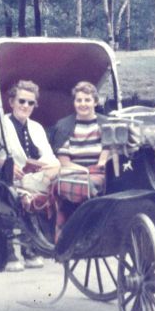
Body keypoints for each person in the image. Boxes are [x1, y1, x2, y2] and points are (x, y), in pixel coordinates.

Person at [0, 80, 59, 271]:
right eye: (22, 101)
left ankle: (31, 247)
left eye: (31, 103)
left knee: (59, 171)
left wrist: (44, 167)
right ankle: (9, 250)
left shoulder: (37, 128)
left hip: (36, 177)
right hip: (7, 180)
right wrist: (6, 164)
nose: (26, 106)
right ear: (12, 102)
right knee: (17, 194)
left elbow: (47, 155)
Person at [49, 81, 111, 237]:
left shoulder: (105, 124)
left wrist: (101, 164)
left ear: (95, 102)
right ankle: (74, 228)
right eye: (79, 100)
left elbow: (108, 149)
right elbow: (64, 161)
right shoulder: (64, 126)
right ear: (74, 103)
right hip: (73, 171)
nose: (83, 104)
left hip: (99, 169)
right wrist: (84, 171)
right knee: (86, 184)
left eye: (87, 100)